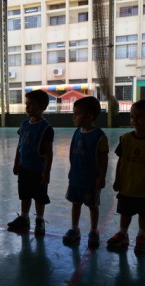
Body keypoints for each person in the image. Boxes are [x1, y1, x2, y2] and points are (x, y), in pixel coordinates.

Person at [62, 96, 109, 248]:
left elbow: (103, 160)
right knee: (75, 203)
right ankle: (75, 229)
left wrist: (101, 177)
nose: (73, 117)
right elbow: (72, 154)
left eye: (77, 113)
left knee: (92, 205)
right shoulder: (77, 133)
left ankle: (94, 231)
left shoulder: (99, 137)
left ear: (89, 116)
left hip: (91, 180)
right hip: (76, 178)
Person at [7, 89, 54, 236]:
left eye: (31, 105)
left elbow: (48, 153)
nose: (27, 107)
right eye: (27, 104)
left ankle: (39, 220)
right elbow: (20, 145)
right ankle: (24, 217)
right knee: (25, 195)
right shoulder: (24, 124)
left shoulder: (46, 128)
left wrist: (46, 173)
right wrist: (16, 162)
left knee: (39, 197)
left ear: (42, 107)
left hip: (38, 170)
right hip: (24, 168)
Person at [107, 99, 145, 253]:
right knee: (125, 212)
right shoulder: (126, 139)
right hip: (127, 187)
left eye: (139, 117)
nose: (134, 120)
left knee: (144, 215)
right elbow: (120, 161)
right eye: (132, 116)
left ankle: (142, 236)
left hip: (143, 189)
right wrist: (117, 179)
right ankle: (123, 234)